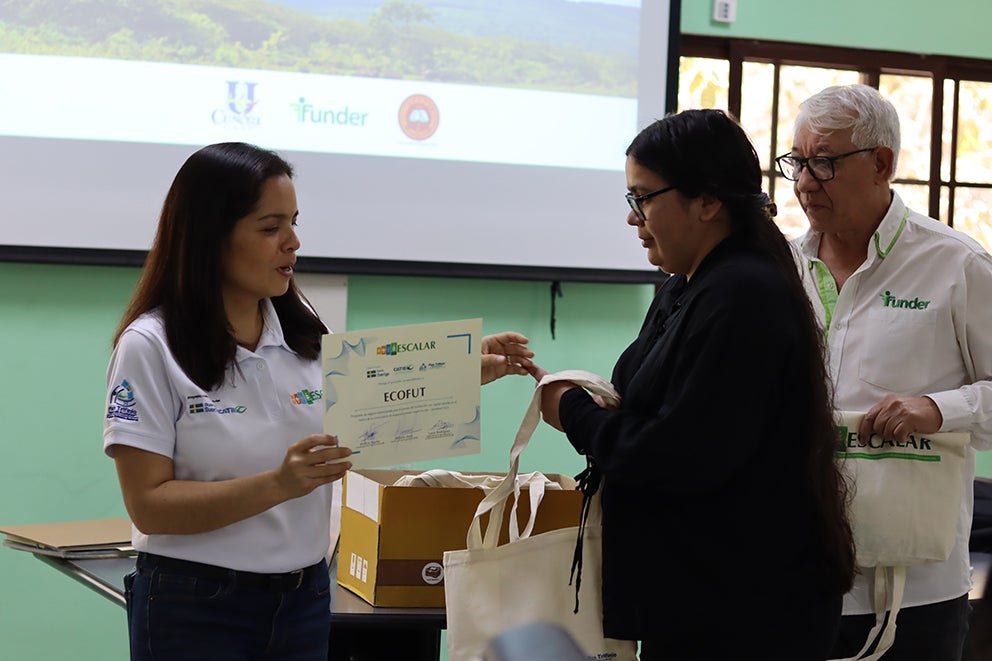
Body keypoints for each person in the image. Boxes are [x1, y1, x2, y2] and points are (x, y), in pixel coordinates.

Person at [104, 141, 534, 660]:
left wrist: (461, 372)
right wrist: (279, 484)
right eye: (270, 228)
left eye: (294, 222)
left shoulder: (303, 330)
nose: (293, 242)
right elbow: (148, 506)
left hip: (302, 600)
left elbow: (369, 409)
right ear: (209, 237)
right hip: (196, 605)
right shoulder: (150, 346)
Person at [530, 109, 855, 660]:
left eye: (644, 198)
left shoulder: (743, 294)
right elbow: (649, 409)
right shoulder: (688, 285)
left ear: (707, 201)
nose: (634, 219)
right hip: (696, 594)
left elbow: (676, 454)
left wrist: (575, 415)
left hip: (745, 607)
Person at [780, 83, 992, 661]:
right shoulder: (780, 270)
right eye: (797, 161)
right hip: (787, 578)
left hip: (913, 594)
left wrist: (938, 408)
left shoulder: (956, 265)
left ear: (882, 164)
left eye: (822, 161)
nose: (802, 182)